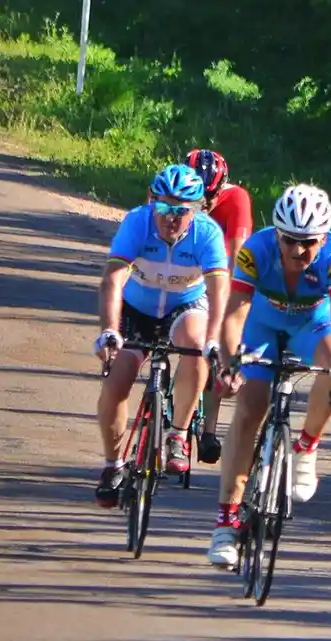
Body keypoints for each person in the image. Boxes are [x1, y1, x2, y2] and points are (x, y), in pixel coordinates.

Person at [205, 184, 331, 567]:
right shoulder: (255, 251)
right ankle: (225, 523)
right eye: (289, 240)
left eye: (308, 242)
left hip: (313, 325)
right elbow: (235, 314)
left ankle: (306, 447)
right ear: (276, 233)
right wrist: (229, 364)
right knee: (251, 407)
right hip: (261, 325)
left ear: (324, 238)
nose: (297, 250)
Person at [93, 164, 230, 507]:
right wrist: (109, 330)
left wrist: (216, 341)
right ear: (151, 201)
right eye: (164, 208)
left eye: (182, 211)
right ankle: (113, 465)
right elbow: (113, 279)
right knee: (117, 382)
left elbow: (219, 290)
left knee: (196, 347)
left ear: (197, 210)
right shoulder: (137, 222)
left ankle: (179, 434)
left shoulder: (207, 234)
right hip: (137, 307)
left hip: (184, 307)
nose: (171, 218)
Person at [185, 148, 253, 464]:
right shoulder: (177, 192)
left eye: (212, 194)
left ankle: (208, 429)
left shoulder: (236, 198)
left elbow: (238, 255)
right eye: (201, 194)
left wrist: (222, 300)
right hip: (183, 275)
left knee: (216, 351)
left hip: (220, 272)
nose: (207, 202)